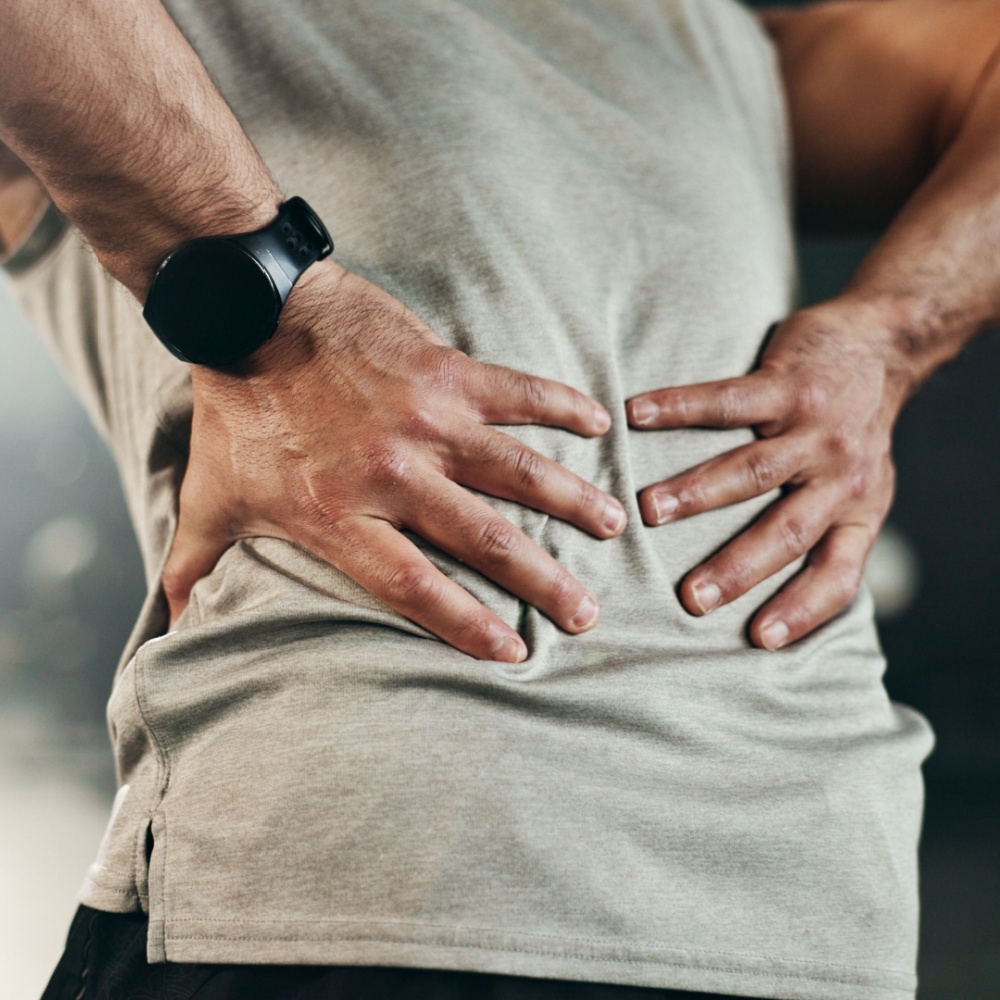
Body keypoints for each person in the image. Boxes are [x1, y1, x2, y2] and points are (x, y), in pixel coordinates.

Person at [2, 0, 999, 996]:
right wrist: (280, 315)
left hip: (808, 905)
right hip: (368, 885)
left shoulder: (705, 36)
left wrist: (894, 335)